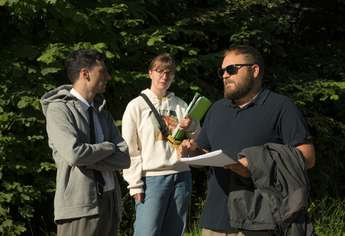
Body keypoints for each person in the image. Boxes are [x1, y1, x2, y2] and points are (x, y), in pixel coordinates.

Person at [179, 45, 316, 236]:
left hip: (260, 222)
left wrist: (255, 162)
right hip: (214, 223)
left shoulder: (281, 107)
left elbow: (308, 158)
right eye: (222, 71)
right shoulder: (217, 109)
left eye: (232, 69)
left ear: (255, 70)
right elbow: (205, 154)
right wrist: (191, 151)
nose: (225, 75)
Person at [41, 49, 130, 236]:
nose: (108, 76)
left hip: (109, 202)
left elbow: (124, 158)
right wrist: (109, 147)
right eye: (102, 71)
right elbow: (74, 154)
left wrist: (89, 158)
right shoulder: (59, 110)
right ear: (85, 74)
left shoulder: (103, 113)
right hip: (79, 206)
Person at [122, 53, 199, 236]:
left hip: (181, 176)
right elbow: (130, 150)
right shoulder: (136, 106)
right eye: (159, 71)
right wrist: (134, 185)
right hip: (152, 179)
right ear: (150, 73)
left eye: (169, 72)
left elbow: (198, 140)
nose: (164, 76)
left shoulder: (181, 105)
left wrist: (192, 129)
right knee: (146, 232)